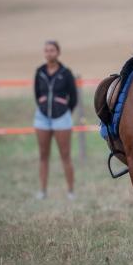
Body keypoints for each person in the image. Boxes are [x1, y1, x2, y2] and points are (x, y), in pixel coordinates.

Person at [33, 40, 77, 200]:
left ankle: (71, 191)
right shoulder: (39, 72)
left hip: (62, 120)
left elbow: (74, 97)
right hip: (42, 119)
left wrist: (65, 112)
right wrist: (43, 107)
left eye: (52, 50)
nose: (48, 53)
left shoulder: (66, 73)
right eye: (46, 50)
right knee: (43, 156)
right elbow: (37, 94)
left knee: (65, 155)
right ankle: (42, 191)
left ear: (58, 52)